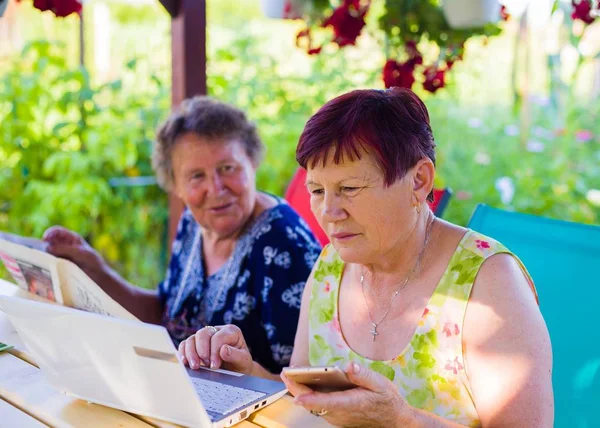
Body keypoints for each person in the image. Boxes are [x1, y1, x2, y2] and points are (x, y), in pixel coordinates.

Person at [178, 88, 554, 427]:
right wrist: (246, 373)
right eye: (317, 190)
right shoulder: (330, 267)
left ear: (419, 181)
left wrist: (402, 421)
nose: (329, 211)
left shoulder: (488, 284)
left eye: (349, 188)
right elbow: (305, 400)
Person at [43, 96, 322, 374]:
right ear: (175, 185)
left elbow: (301, 382)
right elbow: (165, 316)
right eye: (196, 177)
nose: (215, 189)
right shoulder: (195, 221)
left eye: (227, 168)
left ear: (252, 163)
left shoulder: (283, 244)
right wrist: (95, 268)